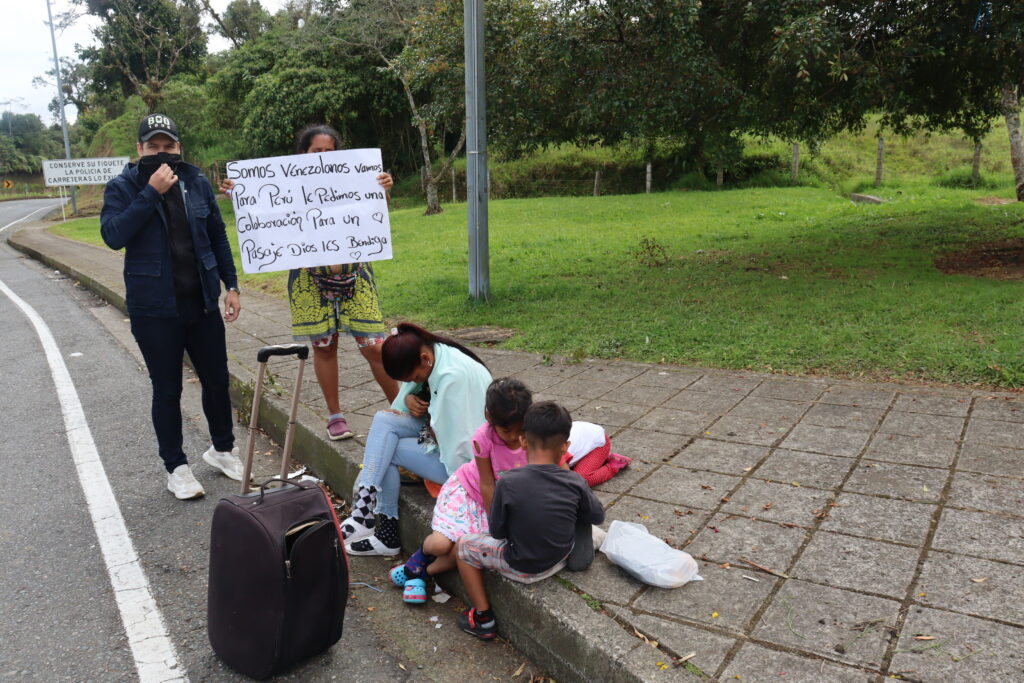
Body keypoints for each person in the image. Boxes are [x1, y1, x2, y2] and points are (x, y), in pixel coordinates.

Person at [221, 124, 398, 440]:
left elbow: (374, 216)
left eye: (330, 152)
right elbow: (263, 217)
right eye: (317, 151)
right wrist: (241, 194)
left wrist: (383, 190)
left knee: (375, 347)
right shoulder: (284, 185)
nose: (324, 157)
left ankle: (401, 412)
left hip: (357, 277)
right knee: (324, 346)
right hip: (308, 282)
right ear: (303, 154)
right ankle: (335, 416)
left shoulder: (356, 178)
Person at [101, 113, 244, 499]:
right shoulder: (122, 186)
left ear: (179, 147)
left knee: (217, 380)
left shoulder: (196, 181)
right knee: (167, 389)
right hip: (154, 309)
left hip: (201, 302)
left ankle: (222, 449)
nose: (162, 152)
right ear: (139, 149)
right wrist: (150, 192)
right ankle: (176, 467)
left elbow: (217, 236)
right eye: (153, 146)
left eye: (169, 146)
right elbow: (112, 235)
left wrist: (231, 286)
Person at [454, 401, 606, 640]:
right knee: (584, 518)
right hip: (560, 555)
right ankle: (581, 551)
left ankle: (483, 618)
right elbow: (598, 516)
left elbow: (497, 532)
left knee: (463, 545)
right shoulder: (575, 481)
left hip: (522, 566)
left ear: (523, 441)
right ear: (565, 446)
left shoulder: (508, 482)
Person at [340, 322, 493, 556]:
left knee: (389, 448)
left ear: (424, 359)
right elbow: (407, 408)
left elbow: (457, 444)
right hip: (443, 437)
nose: (415, 382)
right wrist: (409, 399)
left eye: (415, 378)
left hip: (465, 467)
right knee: (383, 421)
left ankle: (383, 533)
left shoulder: (452, 377)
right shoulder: (436, 352)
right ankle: (364, 513)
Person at [388, 378, 532, 604]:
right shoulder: (483, 438)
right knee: (441, 545)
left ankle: (420, 572)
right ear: (488, 416)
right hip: (471, 495)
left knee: (462, 550)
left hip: (503, 500)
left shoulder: (533, 435)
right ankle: (420, 556)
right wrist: (496, 521)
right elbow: (487, 484)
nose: (515, 437)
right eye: (507, 431)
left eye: (520, 430)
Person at [561, 421, 632, 487]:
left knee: (579, 481)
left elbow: (567, 480)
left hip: (598, 445)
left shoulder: (556, 451)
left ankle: (614, 465)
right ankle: (601, 458)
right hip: (584, 439)